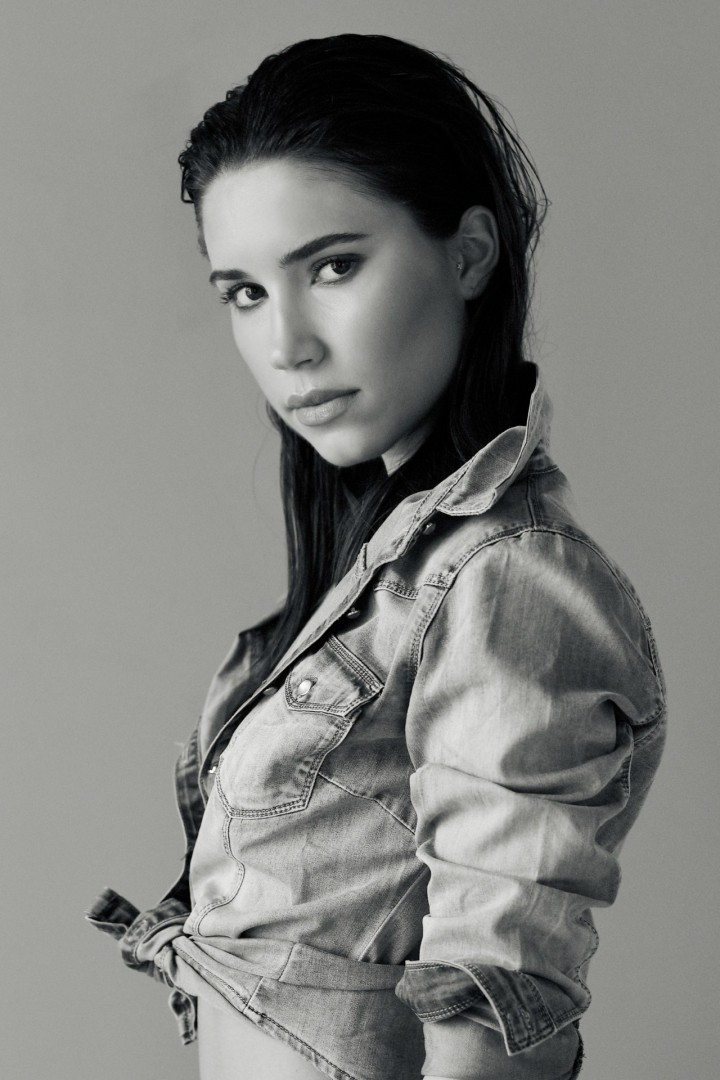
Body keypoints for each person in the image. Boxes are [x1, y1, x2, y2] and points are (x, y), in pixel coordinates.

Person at [86, 33, 666, 1080]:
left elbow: (497, 999)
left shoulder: (505, 577)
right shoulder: (388, 573)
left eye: (334, 267)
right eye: (245, 292)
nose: (288, 346)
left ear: (470, 253)